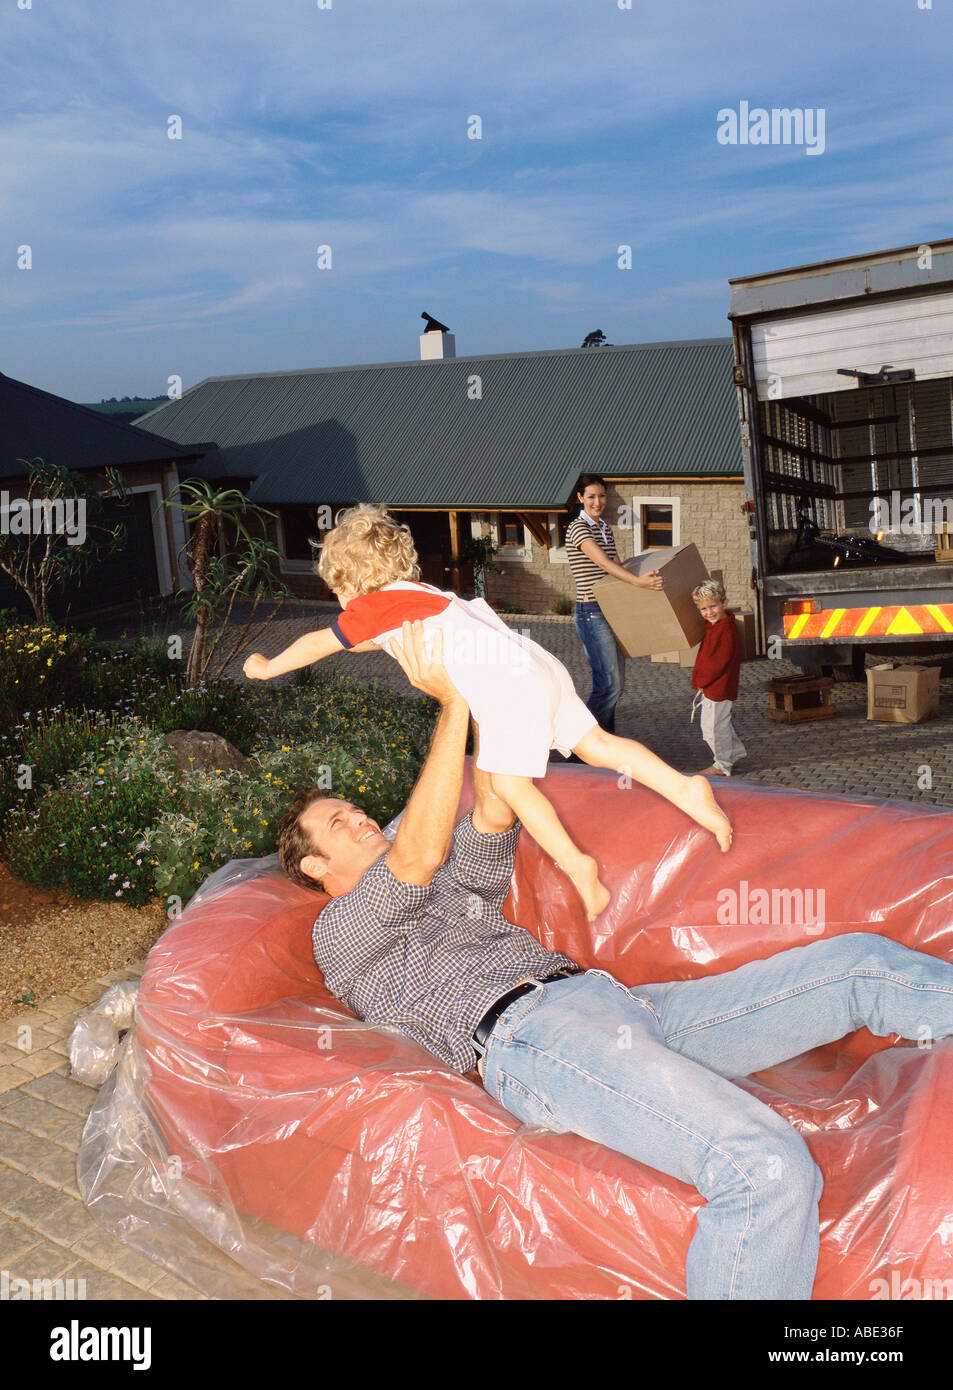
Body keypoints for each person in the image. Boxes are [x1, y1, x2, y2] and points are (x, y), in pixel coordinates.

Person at [277, 622, 953, 1301]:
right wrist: (450, 705)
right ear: (314, 866)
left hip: (622, 1005)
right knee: (763, 1167)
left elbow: (489, 808)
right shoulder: (342, 930)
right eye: (339, 823)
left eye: (357, 808)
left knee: (859, 967)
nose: (361, 818)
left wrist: (488, 694)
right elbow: (413, 858)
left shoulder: (449, 884)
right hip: (531, 1037)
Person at [246, 504, 731, 922]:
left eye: (337, 593)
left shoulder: (370, 607)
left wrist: (269, 667)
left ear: (350, 586)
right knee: (599, 744)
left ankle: (578, 866)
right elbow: (366, 643)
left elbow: (320, 642)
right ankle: (685, 786)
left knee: (509, 787)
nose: (340, 606)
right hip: (538, 664)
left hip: (507, 689)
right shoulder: (419, 596)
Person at [564, 473, 661, 735]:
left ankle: (604, 745)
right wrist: (638, 583)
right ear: (580, 498)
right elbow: (603, 564)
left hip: (610, 610)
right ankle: (582, 748)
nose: (598, 502)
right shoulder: (577, 528)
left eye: (602, 496)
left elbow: (617, 566)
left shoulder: (605, 528)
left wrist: (644, 579)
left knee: (615, 685)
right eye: (592, 496)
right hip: (591, 613)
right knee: (607, 685)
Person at [690, 579, 747, 776]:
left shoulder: (723, 630)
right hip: (716, 686)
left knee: (712, 728)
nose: (709, 612)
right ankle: (735, 752)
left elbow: (716, 663)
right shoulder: (716, 627)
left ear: (724, 603)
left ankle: (722, 765)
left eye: (713, 606)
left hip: (718, 687)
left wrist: (701, 681)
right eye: (703, 609)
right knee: (721, 722)